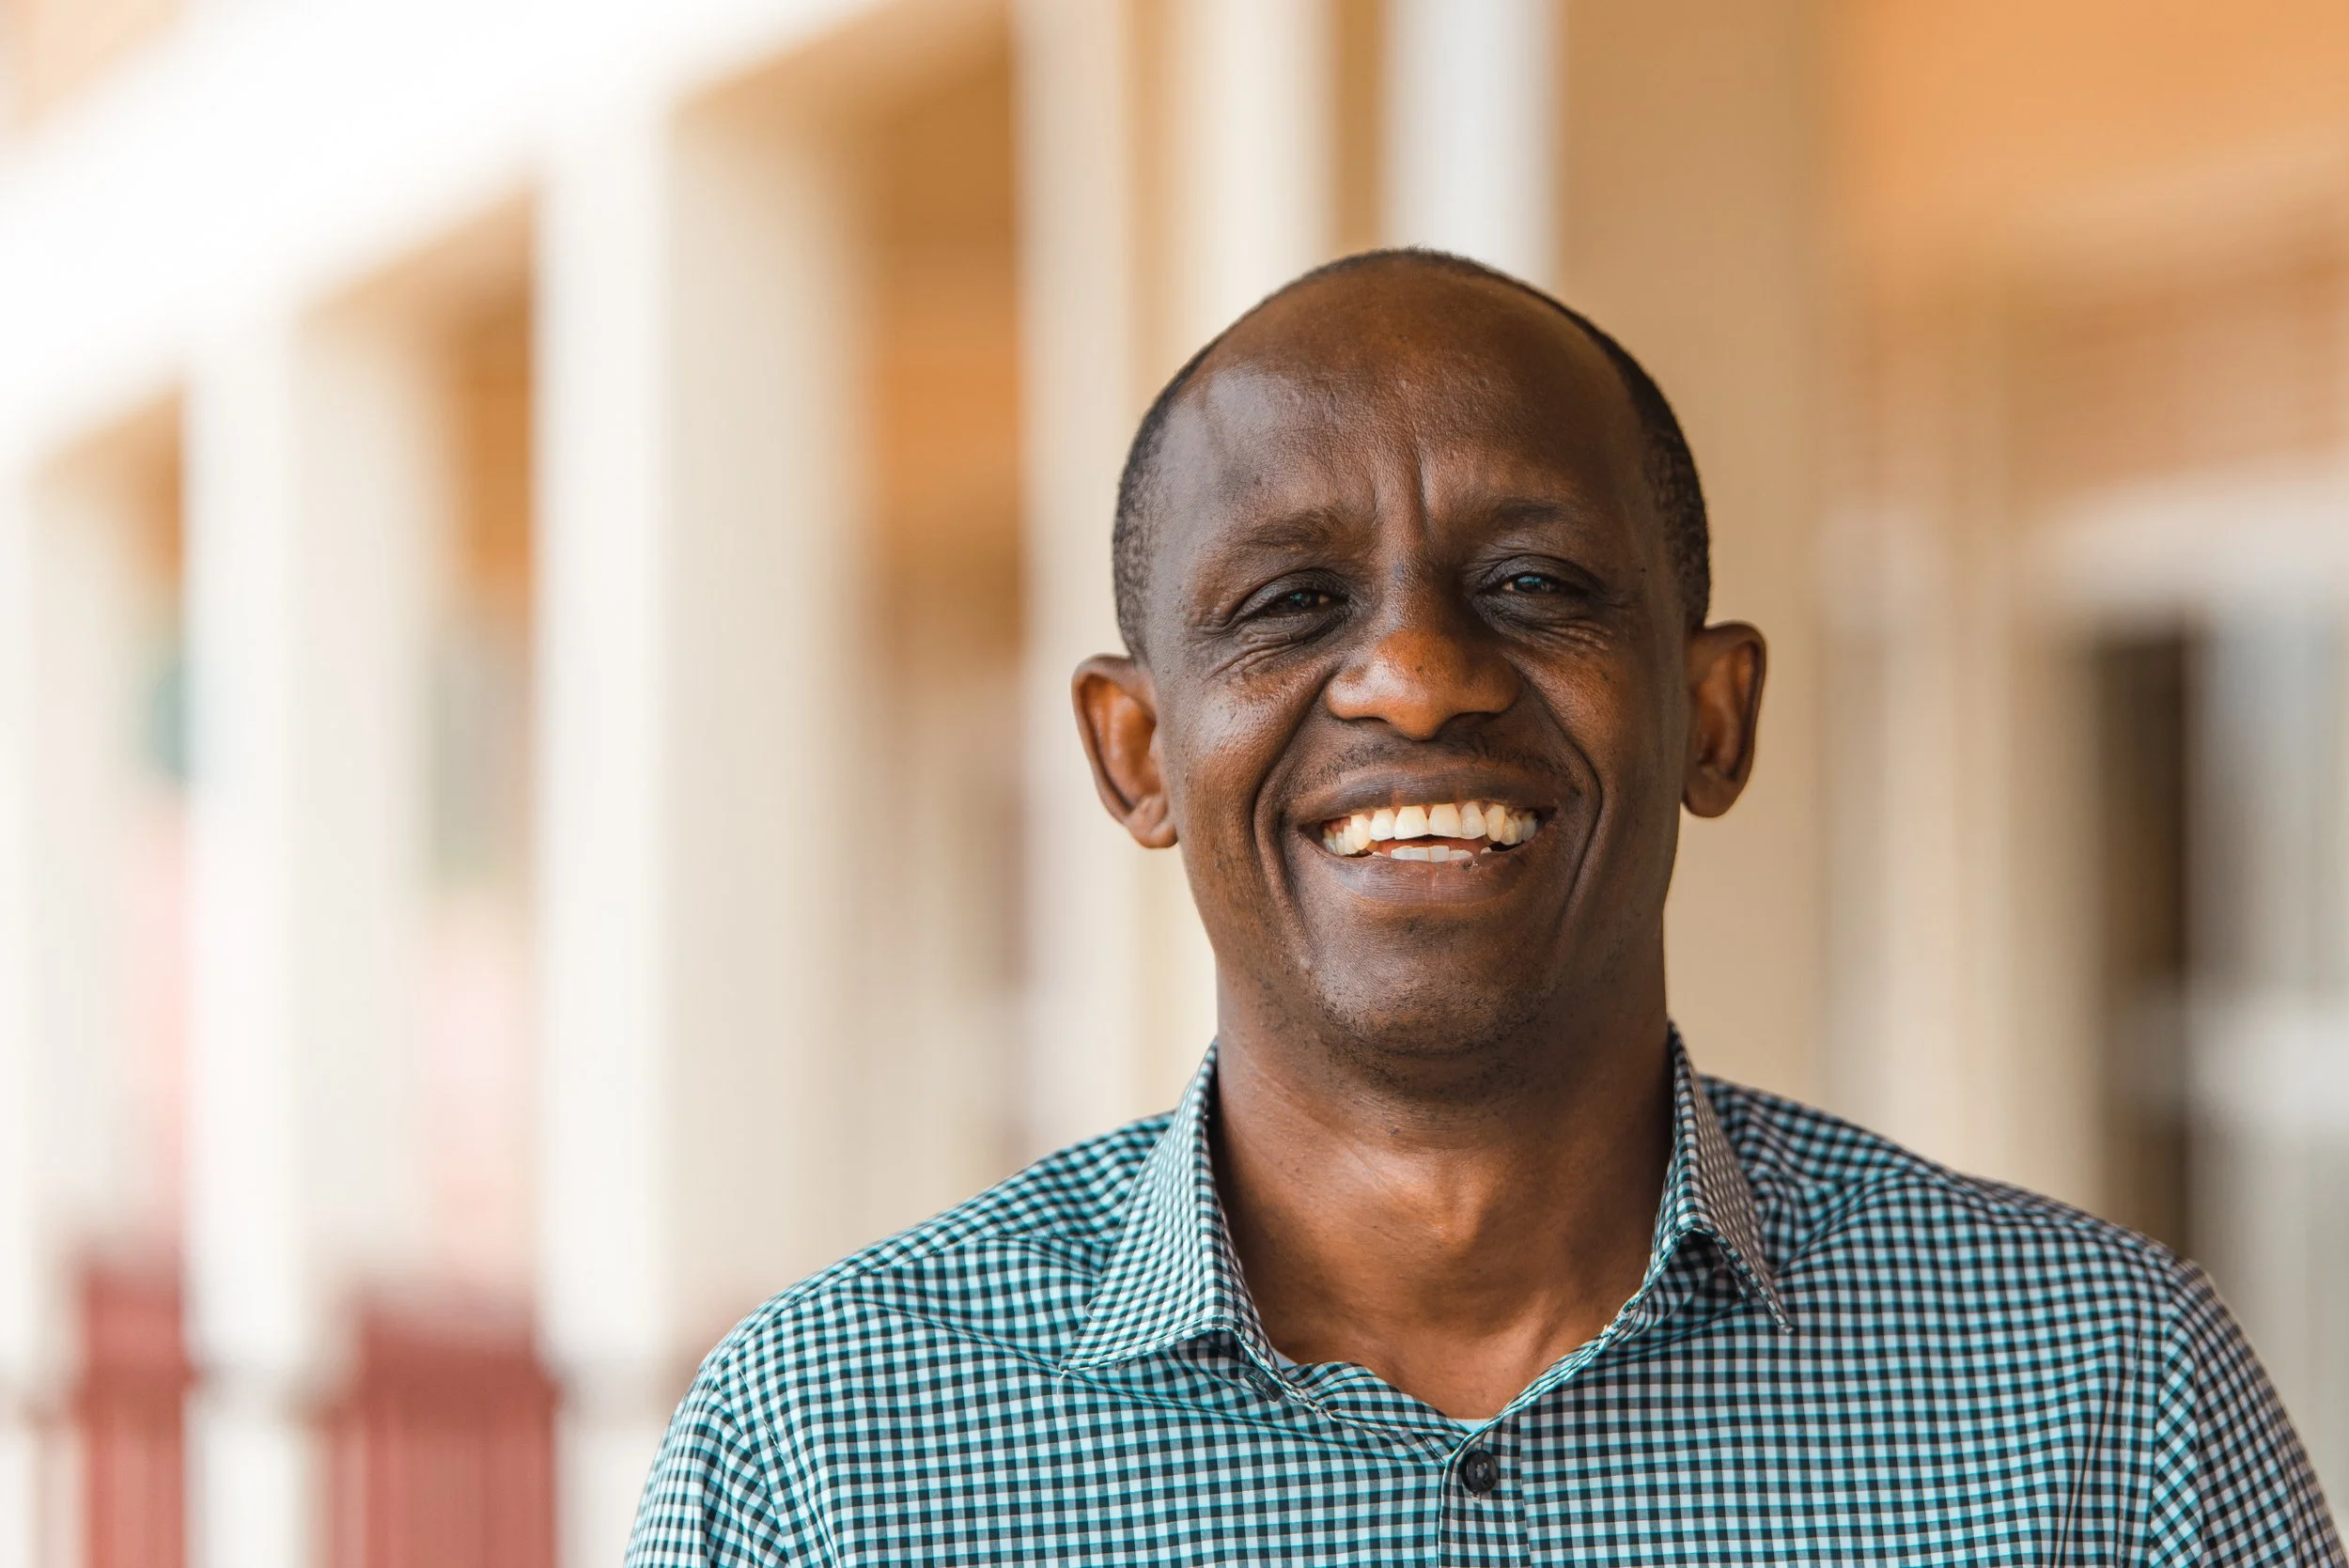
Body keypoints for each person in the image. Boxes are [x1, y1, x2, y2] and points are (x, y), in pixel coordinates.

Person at [628, 250, 2342, 1564]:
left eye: (1533, 586)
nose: (1420, 677)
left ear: (1715, 716)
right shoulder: (833, 1451)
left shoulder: (2108, 1399)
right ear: (1137, 751)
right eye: (1290, 601)